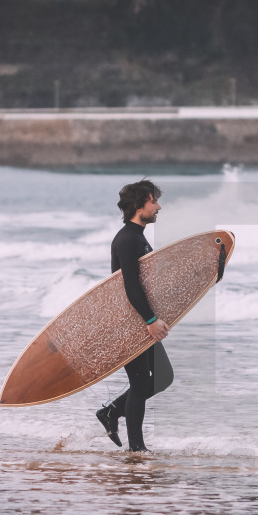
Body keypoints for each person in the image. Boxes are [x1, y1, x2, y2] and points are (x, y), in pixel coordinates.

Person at [96, 179, 173, 452]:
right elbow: (130, 286)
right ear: (141, 204)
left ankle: (112, 412)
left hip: (139, 319)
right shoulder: (128, 239)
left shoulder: (136, 237)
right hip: (131, 322)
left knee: (162, 377)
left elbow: (148, 283)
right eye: (154, 202)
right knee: (140, 383)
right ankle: (137, 449)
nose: (159, 207)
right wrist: (150, 321)